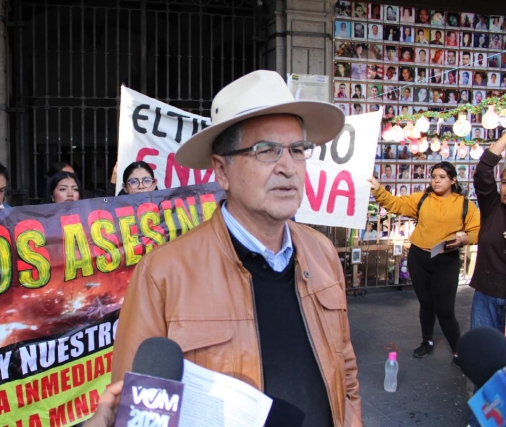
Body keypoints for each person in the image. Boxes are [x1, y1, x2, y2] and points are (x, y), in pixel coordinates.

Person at [111, 70, 363, 426]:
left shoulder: (322, 253)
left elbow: (347, 373)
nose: (288, 167)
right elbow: (137, 414)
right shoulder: (164, 273)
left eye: (297, 150)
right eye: (266, 150)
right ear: (221, 171)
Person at [369, 162, 480, 366]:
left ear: (453, 180)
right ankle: (427, 341)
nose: (436, 180)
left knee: (445, 308)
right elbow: (395, 204)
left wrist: (464, 239)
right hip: (419, 257)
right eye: (434, 176)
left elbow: (477, 230)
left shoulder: (465, 205)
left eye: (442, 177)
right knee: (426, 303)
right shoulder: (421, 199)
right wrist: (378, 189)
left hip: (446, 260)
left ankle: (458, 351)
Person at [469, 133, 506, 334]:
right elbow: (483, 171)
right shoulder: (493, 207)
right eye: (505, 182)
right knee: (484, 354)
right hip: (485, 294)